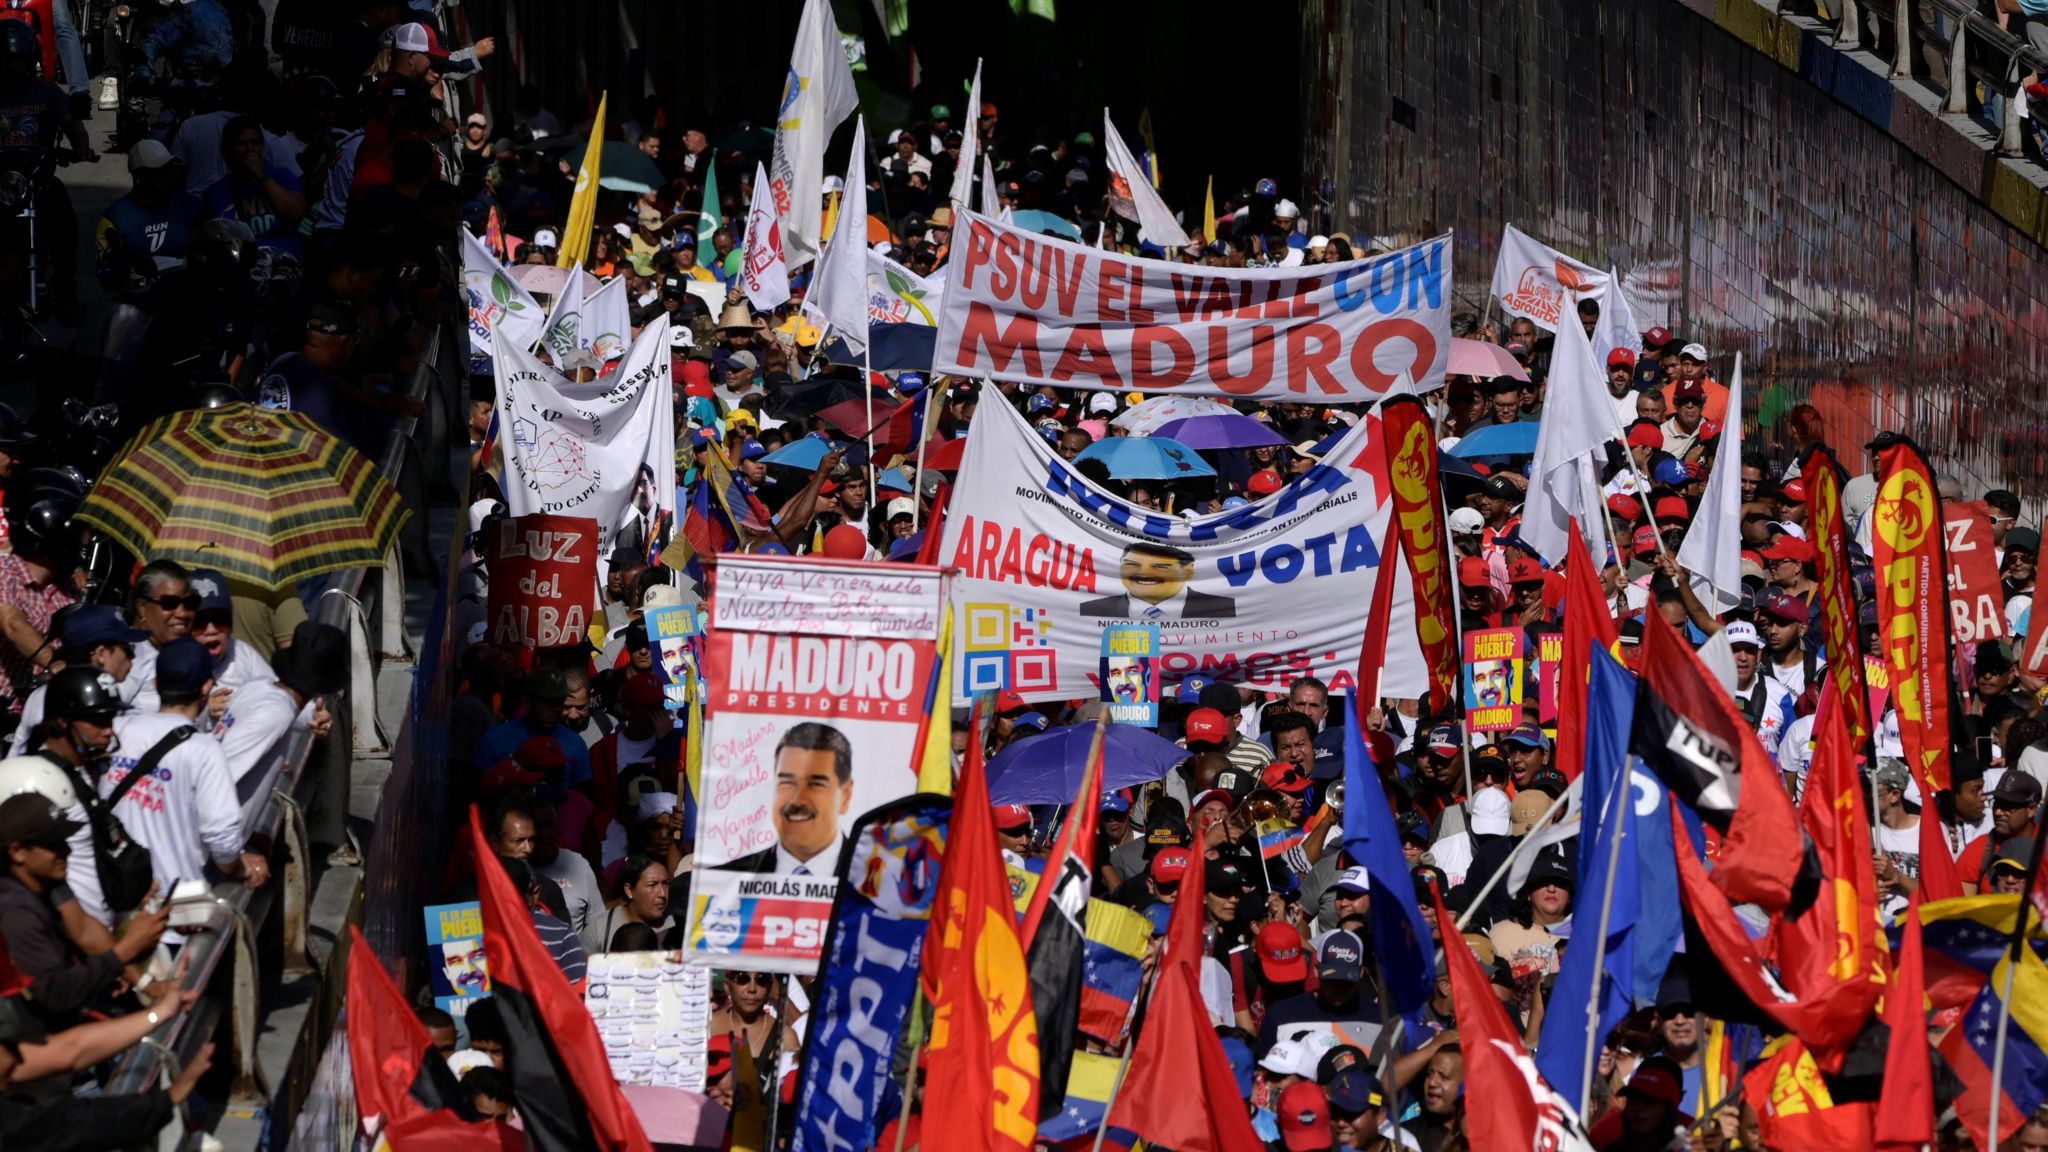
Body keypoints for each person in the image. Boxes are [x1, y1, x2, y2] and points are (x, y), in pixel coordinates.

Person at [104, 637, 265, 894]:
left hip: (115, 887)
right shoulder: (204, 749)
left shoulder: (116, 730)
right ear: (207, 688)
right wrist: (240, 869)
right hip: (173, 903)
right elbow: (222, 839)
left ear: (156, 684)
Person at [213, 621, 344, 834]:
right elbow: (216, 781)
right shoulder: (277, 714)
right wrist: (231, 856)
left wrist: (313, 715)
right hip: (211, 850)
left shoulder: (255, 687)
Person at [717, 722, 853, 874]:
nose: (797, 800)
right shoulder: (724, 879)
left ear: (846, 795)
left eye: (815, 784)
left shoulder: (875, 884)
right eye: (787, 782)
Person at [1256, 929, 1383, 1056]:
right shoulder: (1280, 1016)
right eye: (1331, 980)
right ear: (1316, 970)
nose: (1338, 988)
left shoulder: (1380, 1019)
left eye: (1346, 981)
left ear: (1361, 972)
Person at [96, 142, 200, 291]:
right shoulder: (113, 219)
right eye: (159, 170)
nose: (167, 175)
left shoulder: (189, 204)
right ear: (138, 175)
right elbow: (107, 276)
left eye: (168, 168)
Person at [1079, 542, 1237, 620]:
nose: (1144, 573)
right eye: (1132, 565)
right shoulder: (1090, 611)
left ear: (1188, 571)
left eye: (1160, 567)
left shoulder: (1223, 609)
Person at [580, 853, 674, 955]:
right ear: (629, 890)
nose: (662, 893)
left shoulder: (677, 927)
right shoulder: (598, 931)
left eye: (665, 884)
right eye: (652, 885)